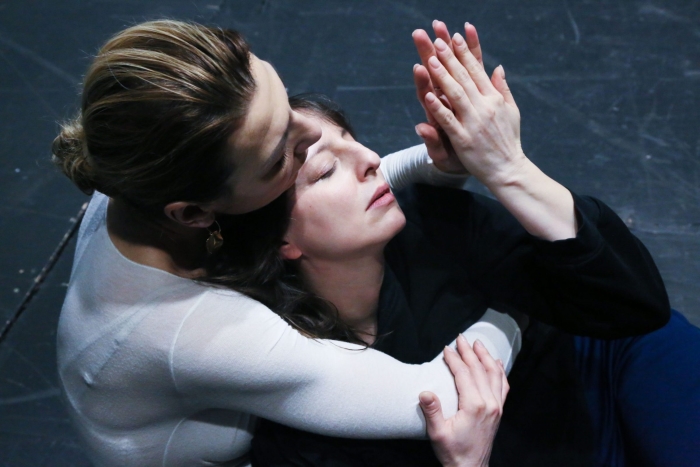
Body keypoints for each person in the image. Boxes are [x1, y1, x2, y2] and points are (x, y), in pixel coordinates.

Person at [52, 19, 671, 467]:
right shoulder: (203, 335)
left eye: (283, 102)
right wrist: (521, 303)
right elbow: (439, 399)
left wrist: (449, 163)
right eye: (288, 158)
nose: (310, 133)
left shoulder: (138, 164)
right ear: (196, 213)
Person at [245, 55, 699, 467]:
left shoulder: (428, 219)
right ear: (281, 240)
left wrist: (508, 168)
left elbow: (634, 305)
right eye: (326, 171)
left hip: (593, 366)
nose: (370, 159)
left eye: (353, 141)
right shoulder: (293, 385)